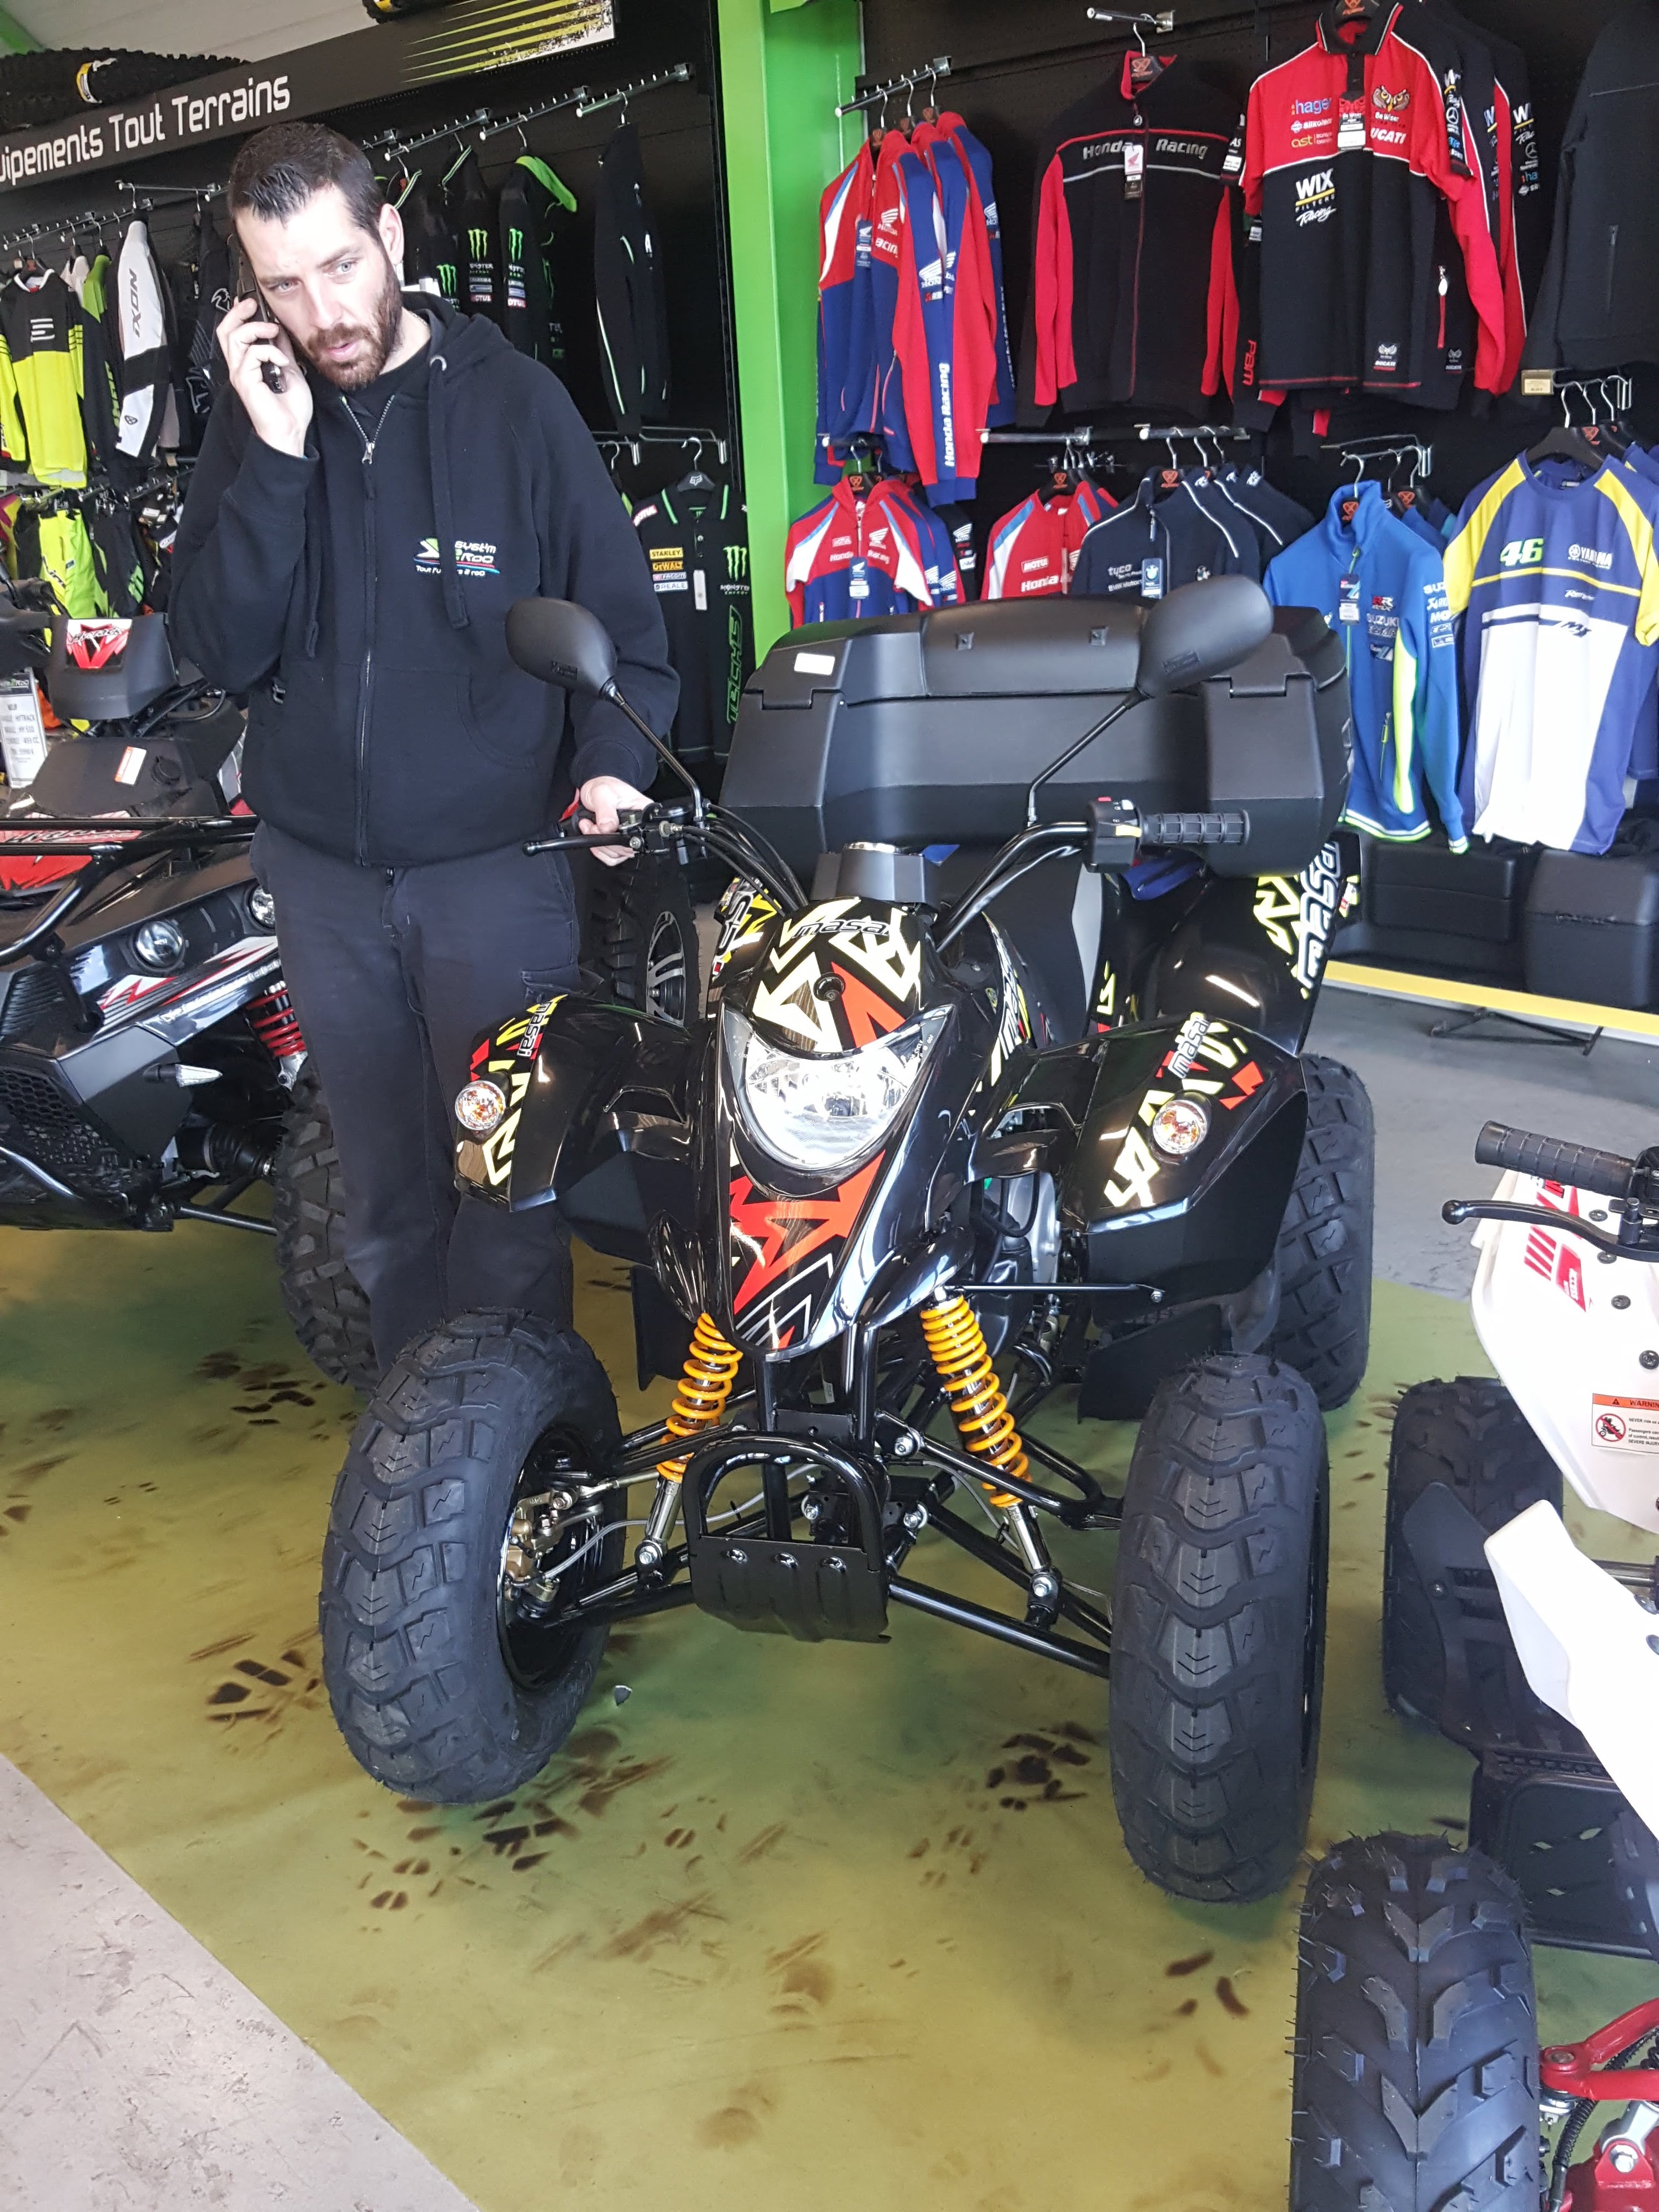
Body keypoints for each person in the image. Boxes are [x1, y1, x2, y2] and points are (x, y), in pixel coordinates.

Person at [172, 121, 677, 1375]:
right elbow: (216, 648)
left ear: (391, 234)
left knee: (506, 1198)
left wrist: (613, 766)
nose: (322, 315)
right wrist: (275, 457)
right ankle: (421, 1447)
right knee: (387, 1206)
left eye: (341, 267)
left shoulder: (516, 406)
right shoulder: (258, 418)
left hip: (493, 877)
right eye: (283, 286)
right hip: (323, 883)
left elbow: (626, 630)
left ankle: (524, 1453)